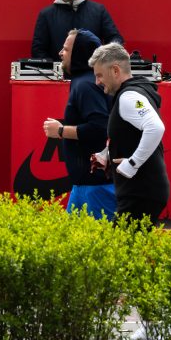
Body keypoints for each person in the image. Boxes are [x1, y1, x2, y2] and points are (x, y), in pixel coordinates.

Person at [88, 43, 169, 224]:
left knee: (120, 242)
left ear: (115, 70)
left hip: (141, 192)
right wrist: (106, 154)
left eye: (99, 75)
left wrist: (132, 163)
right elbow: (130, 134)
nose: (97, 82)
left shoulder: (129, 97)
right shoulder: (133, 93)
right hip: (142, 191)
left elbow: (155, 127)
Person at [42, 29, 117, 219]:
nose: (61, 53)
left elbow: (100, 128)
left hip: (95, 188)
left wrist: (60, 130)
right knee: (68, 237)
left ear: (79, 53)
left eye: (66, 49)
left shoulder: (85, 85)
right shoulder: (84, 81)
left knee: (101, 238)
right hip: (84, 184)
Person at [31, 0, 123, 61]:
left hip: (93, 69)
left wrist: (102, 62)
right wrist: (57, 68)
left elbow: (115, 39)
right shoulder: (46, 15)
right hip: (61, 70)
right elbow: (38, 50)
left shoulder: (98, 10)